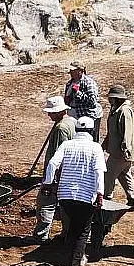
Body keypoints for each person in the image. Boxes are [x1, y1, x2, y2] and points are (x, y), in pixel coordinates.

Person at [43, 117, 105, 266]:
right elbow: (99, 172)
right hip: (86, 197)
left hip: (65, 195)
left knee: (72, 230)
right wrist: (100, 193)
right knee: (82, 233)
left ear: (76, 130)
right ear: (92, 131)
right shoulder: (96, 148)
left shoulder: (66, 145)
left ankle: (72, 261)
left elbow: (52, 163)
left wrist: (48, 183)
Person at [32, 96, 78, 242]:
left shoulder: (61, 128)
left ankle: (41, 235)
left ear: (60, 112)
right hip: (69, 173)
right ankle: (67, 234)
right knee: (65, 204)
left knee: (45, 203)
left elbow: (59, 154)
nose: (49, 115)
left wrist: (50, 177)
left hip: (57, 174)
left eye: (51, 112)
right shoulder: (72, 122)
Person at [102, 84, 134, 210]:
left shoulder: (124, 111)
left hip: (121, 152)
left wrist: (125, 149)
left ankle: (105, 199)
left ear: (116, 98)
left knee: (108, 175)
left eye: (111, 98)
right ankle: (133, 199)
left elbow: (127, 132)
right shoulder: (116, 109)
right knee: (124, 174)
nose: (109, 100)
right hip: (118, 150)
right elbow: (112, 130)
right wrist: (105, 142)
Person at [63, 61, 102, 135]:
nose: (70, 72)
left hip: (88, 116)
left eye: (73, 70)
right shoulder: (69, 83)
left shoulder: (89, 82)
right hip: (74, 114)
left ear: (80, 71)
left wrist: (78, 93)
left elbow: (92, 102)